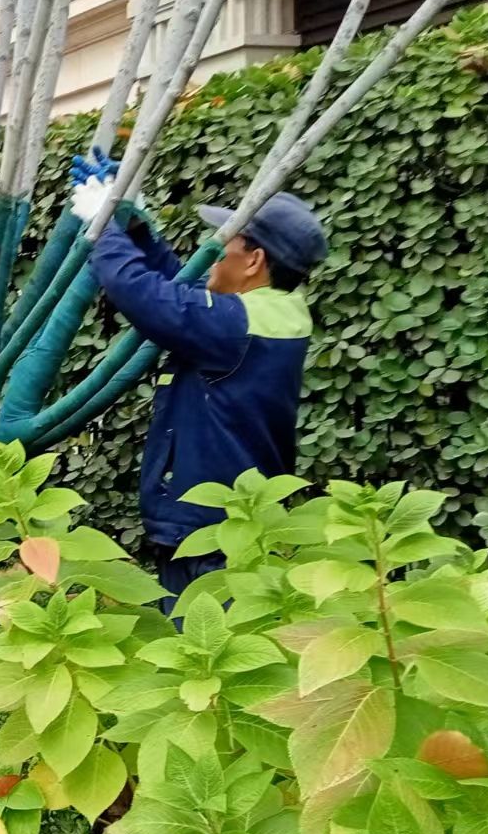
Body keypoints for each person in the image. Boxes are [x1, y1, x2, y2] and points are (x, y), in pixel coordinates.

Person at [70, 168, 327, 599]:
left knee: (203, 653)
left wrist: (103, 227)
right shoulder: (269, 312)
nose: (214, 248)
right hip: (223, 526)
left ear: (253, 260)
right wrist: (136, 227)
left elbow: (150, 297)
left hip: (213, 537)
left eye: (225, 240)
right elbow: (182, 291)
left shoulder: (238, 325)